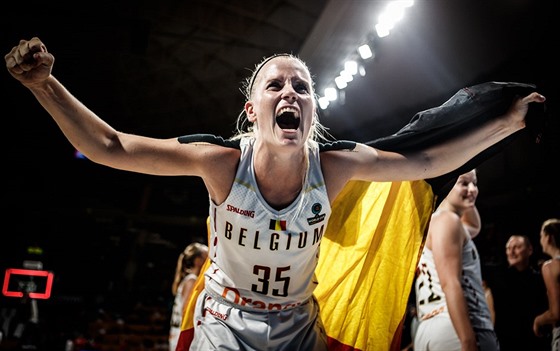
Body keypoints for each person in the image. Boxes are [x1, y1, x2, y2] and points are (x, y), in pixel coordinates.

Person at [4, 37, 545, 350]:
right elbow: (111, 146)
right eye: (276, 85)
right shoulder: (219, 161)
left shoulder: (334, 166)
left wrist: (507, 125)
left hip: (297, 325)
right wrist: (43, 86)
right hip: (225, 320)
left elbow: (427, 160)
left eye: (302, 88)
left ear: (312, 113)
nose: (291, 92)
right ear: (251, 111)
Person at [414, 169, 499, 351]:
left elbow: (475, 226)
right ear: (448, 184)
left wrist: (463, 186)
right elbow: (450, 283)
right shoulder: (448, 220)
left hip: (429, 325)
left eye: (475, 183)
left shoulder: (435, 223)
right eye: (464, 183)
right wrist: (468, 340)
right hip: (455, 325)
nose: (473, 189)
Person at [489, 234, 549, 351]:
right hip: (504, 343)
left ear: (530, 250)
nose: (511, 252)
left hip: (534, 342)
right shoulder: (496, 275)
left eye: (517, 247)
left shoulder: (541, 278)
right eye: (508, 248)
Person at [169, 242, 208, 351]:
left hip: (178, 335)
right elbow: (186, 312)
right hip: (184, 337)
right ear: (198, 261)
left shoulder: (189, 280)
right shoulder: (192, 281)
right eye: (207, 256)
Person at [534, 218, 560, 351]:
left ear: (549, 237)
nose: (540, 241)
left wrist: (539, 320)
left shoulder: (550, 267)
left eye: (541, 236)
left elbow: (556, 313)